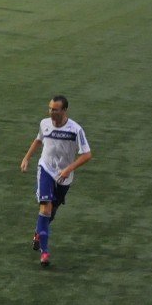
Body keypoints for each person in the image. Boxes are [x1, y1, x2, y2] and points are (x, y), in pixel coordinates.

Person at [19, 96, 92, 267]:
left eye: (55, 109)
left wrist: (68, 169)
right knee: (45, 208)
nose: (51, 112)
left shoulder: (75, 130)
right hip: (45, 169)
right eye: (50, 108)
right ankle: (44, 252)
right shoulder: (44, 123)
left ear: (64, 110)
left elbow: (87, 154)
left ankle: (39, 232)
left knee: (51, 212)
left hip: (63, 176)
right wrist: (26, 158)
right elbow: (39, 139)